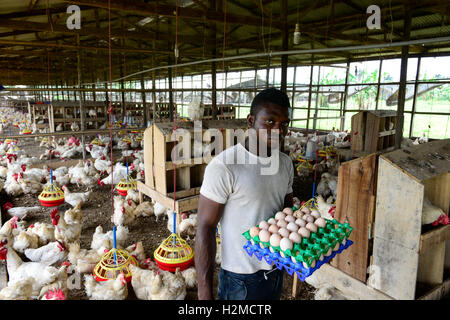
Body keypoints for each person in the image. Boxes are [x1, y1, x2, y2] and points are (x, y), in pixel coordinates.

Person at [195, 88, 294, 300]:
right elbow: (205, 227)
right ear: (251, 121)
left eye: (284, 124)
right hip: (240, 279)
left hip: (276, 269)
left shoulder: (285, 163)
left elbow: (285, 211)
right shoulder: (225, 166)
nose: (278, 130)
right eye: (269, 122)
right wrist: (204, 293)